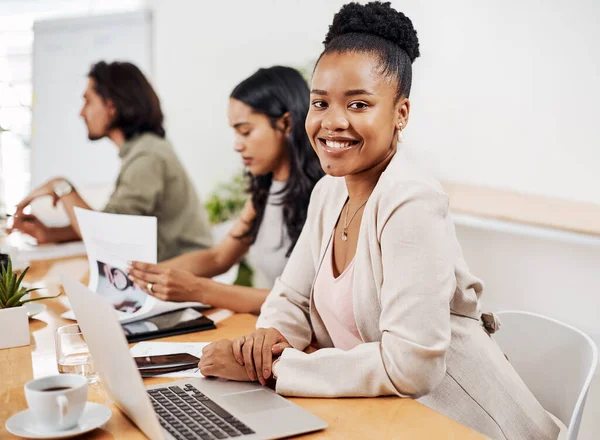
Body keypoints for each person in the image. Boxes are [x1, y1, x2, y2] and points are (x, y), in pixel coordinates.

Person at [196, 3, 560, 439]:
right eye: (321, 103)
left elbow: (411, 367)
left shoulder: (412, 201)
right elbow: (291, 298)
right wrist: (265, 341)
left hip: (463, 424)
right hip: (385, 421)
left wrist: (277, 368)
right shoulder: (330, 191)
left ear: (400, 114)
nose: (333, 122)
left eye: (359, 104)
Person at [127, 66, 324, 314]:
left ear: (286, 124)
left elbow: (304, 300)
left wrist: (199, 289)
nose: (237, 145)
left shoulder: (325, 194)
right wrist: (146, 274)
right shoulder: (264, 191)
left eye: (245, 131)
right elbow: (218, 258)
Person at [9, 61, 212, 261]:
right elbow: (116, 221)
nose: (81, 113)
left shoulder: (147, 157)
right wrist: (50, 235)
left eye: (88, 101)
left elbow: (107, 237)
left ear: (111, 106)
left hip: (185, 275)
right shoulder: (144, 150)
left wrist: (61, 186)